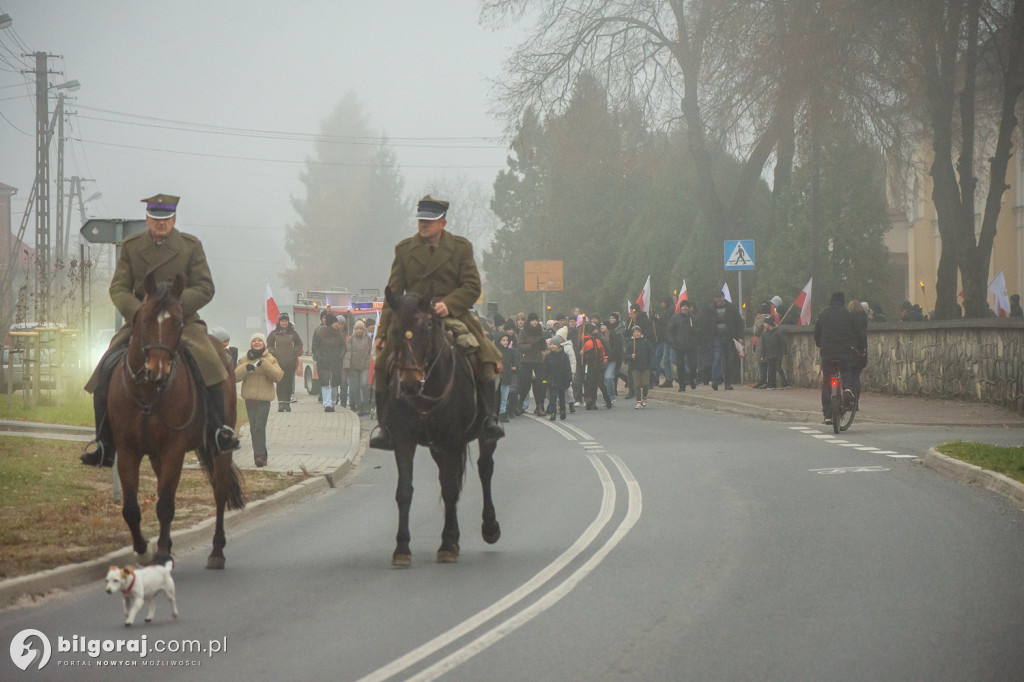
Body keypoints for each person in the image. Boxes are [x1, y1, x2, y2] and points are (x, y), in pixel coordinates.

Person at [81, 193, 239, 467]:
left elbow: (205, 287)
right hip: (141, 322)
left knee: (213, 362)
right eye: (155, 219)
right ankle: (104, 443)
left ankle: (218, 431)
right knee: (105, 368)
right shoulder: (132, 247)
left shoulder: (191, 246)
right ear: (147, 220)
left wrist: (177, 306)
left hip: (182, 321)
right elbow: (118, 287)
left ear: (174, 220)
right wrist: (139, 312)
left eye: (166, 220)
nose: (160, 225)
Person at [370, 195, 505, 450]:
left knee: (486, 356)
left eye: (430, 221)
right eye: (421, 220)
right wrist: (383, 331)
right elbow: (393, 293)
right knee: (381, 364)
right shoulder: (404, 249)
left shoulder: (460, 248)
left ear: (442, 223)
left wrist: (450, 304)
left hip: (451, 313)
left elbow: (472, 286)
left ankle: (489, 419)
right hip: (412, 316)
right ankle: (385, 427)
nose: (424, 225)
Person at [234, 333, 284, 467]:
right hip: (249, 399)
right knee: (253, 429)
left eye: (259, 340)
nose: (256, 342)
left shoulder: (270, 359)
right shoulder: (244, 359)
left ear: (264, 343)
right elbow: (234, 377)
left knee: (259, 428)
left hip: (264, 400)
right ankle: (262, 456)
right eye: (254, 341)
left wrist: (265, 365)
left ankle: (260, 457)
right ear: (251, 344)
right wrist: (245, 368)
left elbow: (278, 376)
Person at [814, 291, 858, 423]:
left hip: (827, 352)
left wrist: (819, 344)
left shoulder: (823, 314)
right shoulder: (848, 315)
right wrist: (857, 347)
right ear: (843, 301)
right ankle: (847, 388)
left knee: (827, 381)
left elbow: (817, 332)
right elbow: (856, 332)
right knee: (845, 371)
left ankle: (827, 414)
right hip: (844, 351)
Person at [708, 289, 744, 391]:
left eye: (719, 297)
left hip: (729, 337)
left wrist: (740, 336)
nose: (718, 299)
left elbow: (739, 323)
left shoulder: (731, 308)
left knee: (729, 361)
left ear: (723, 297)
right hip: (717, 337)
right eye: (716, 298)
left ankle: (727, 383)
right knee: (717, 358)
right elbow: (707, 323)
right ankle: (715, 380)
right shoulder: (711, 309)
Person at [267, 312, 302, 412]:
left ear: (288, 322)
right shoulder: (274, 334)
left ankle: (287, 404)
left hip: (290, 362)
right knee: (280, 383)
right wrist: (274, 353)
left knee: (289, 383)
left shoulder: (293, 333)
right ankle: (281, 404)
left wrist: (295, 352)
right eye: (282, 321)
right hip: (278, 362)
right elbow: (269, 346)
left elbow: (299, 344)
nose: (284, 323)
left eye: (286, 321)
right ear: (279, 322)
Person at [312, 314, 346, 412]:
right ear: (331, 323)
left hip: (336, 362)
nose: (337, 325)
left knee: (335, 384)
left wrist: (340, 356)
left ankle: (333, 402)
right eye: (335, 323)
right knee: (325, 383)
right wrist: (319, 357)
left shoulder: (339, 334)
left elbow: (344, 347)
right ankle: (327, 404)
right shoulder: (320, 333)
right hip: (324, 362)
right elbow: (315, 347)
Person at [518, 312, 548, 416]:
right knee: (525, 384)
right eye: (533, 320)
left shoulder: (540, 331)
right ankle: (519, 404)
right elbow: (520, 346)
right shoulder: (524, 331)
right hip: (526, 361)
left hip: (538, 361)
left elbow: (544, 346)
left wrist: (543, 345)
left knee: (541, 384)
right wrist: (531, 345)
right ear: (529, 321)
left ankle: (539, 406)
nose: (535, 322)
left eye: (536, 320)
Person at [667, 299, 699, 391]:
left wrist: (695, 331)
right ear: (680, 308)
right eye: (683, 306)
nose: (685, 308)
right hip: (679, 345)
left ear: (689, 308)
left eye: (686, 306)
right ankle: (682, 385)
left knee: (693, 365)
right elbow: (670, 330)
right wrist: (672, 342)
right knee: (680, 366)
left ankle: (692, 378)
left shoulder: (693, 318)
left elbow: (700, 330)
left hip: (691, 345)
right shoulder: (675, 318)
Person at [580, 323, 612, 409]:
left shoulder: (598, 340)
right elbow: (579, 354)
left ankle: (607, 400)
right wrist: (581, 354)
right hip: (587, 365)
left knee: (599, 383)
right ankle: (589, 401)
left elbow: (603, 350)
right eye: (594, 329)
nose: (596, 330)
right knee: (588, 382)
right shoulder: (584, 341)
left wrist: (605, 358)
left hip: (598, 365)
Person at [541, 338, 572, 421]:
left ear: (558, 345)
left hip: (562, 380)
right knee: (553, 398)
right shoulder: (548, 357)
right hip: (552, 381)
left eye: (554, 344)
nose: (552, 346)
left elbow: (567, 368)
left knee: (562, 397)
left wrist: (569, 379)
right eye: (550, 344)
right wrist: (544, 380)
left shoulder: (564, 356)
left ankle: (562, 411)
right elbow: (545, 369)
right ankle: (553, 413)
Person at [347, 320, 372, 415]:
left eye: (361, 328)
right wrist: (347, 365)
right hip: (354, 366)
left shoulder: (368, 339)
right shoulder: (351, 339)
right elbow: (348, 352)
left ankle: (366, 406)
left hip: (365, 365)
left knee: (364, 385)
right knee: (356, 387)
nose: (359, 330)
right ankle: (360, 407)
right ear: (354, 329)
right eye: (357, 328)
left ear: (364, 329)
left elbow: (371, 350)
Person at [626, 325, 653, 408]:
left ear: (641, 332)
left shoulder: (646, 341)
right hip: (635, 366)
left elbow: (651, 353)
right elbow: (625, 355)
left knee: (645, 384)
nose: (636, 333)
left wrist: (650, 364)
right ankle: (638, 400)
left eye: (638, 332)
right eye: (634, 332)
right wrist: (631, 356)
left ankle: (644, 397)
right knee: (637, 385)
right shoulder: (630, 343)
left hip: (645, 366)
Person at [847, 299, 869, 402]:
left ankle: (848, 396)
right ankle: (856, 402)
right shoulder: (864, 319)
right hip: (860, 352)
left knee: (849, 376)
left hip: (851, 351)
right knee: (856, 377)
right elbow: (862, 337)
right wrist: (863, 350)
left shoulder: (850, 320)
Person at [497, 333, 520, 422]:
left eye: (507, 340)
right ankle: (496, 412)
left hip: (507, 376)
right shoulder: (496, 351)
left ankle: (502, 412)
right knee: (497, 396)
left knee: (504, 397)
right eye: (503, 340)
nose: (506, 342)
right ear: (499, 341)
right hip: (497, 377)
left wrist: (515, 366)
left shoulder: (510, 351)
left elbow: (515, 360)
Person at [762, 317, 788, 389]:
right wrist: (762, 354)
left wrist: (784, 352)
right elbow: (763, 345)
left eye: (765, 323)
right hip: (769, 354)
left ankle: (784, 383)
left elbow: (782, 343)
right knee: (771, 370)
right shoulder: (765, 334)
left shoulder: (778, 332)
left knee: (778, 368)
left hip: (777, 353)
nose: (764, 325)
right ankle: (771, 384)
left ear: (769, 324)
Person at [600, 320, 622, 402]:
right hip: (601, 361)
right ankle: (606, 397)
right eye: (601, 326)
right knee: (604, 380)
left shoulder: (614, 336)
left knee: (608, 377)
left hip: (612, 360)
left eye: (604, 325)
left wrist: (608, 357)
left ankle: (611, 396)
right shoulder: (599, 336)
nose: (602, 327)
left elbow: (616, 349)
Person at [311, 309, 330, 402]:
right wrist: (317, 355)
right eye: (323, 317)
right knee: (322, 377)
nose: (325, 319)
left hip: (330, 358)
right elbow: (314, 344)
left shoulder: (333, 329)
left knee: (330, 378)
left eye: (327, 317)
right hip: (321, 358)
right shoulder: (317, 330)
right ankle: (322, 395)